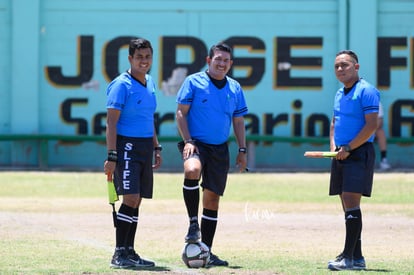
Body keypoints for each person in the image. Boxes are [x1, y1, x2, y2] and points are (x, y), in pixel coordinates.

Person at [175, 42, 248, 267]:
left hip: (220, 149)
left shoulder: (235, 88)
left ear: (231, 64)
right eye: (218, 59)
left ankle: (206, 251)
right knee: (192, 170)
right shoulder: (193, 82)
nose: (222, 64)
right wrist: (188, 141)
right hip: (196, 144)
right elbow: (180, 113)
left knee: (212, 200)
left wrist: (242, 149)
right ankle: (192, 223)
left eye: (226, 60)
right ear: (209, 61)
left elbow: (238, 120)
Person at [103, 38, 162, 269]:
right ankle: (119, 254)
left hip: (145, 146)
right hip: (126, 146)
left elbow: (149, 118)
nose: (144, 61)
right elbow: (111, 122)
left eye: (147, 57)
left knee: (136, 200)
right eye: (139, 57)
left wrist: (156, 146)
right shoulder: (121, 85)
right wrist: (112, 155)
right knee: (129, 198)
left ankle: (130, 251)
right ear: (130, 59)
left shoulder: (150, 82)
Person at [327, 50, 380, 271]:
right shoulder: (339, 93)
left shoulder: (367, 91)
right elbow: (334, 123)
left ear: (356, 67)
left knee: (351, 201)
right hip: (341, 153)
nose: (340, 69)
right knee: (346, 205)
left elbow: (371, 125)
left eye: (345, 65)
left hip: (358, 152)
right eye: (337, 66)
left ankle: (347, 257)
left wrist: (349, 147)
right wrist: (334, 149)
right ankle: (357, 258)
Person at [376, 102, 391, 170]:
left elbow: (380, 122)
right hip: (357, 131)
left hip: (370, 131)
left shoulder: (376, 102)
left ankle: (383, 160)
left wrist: (369, 131)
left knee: (380, 132)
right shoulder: (356, 101)